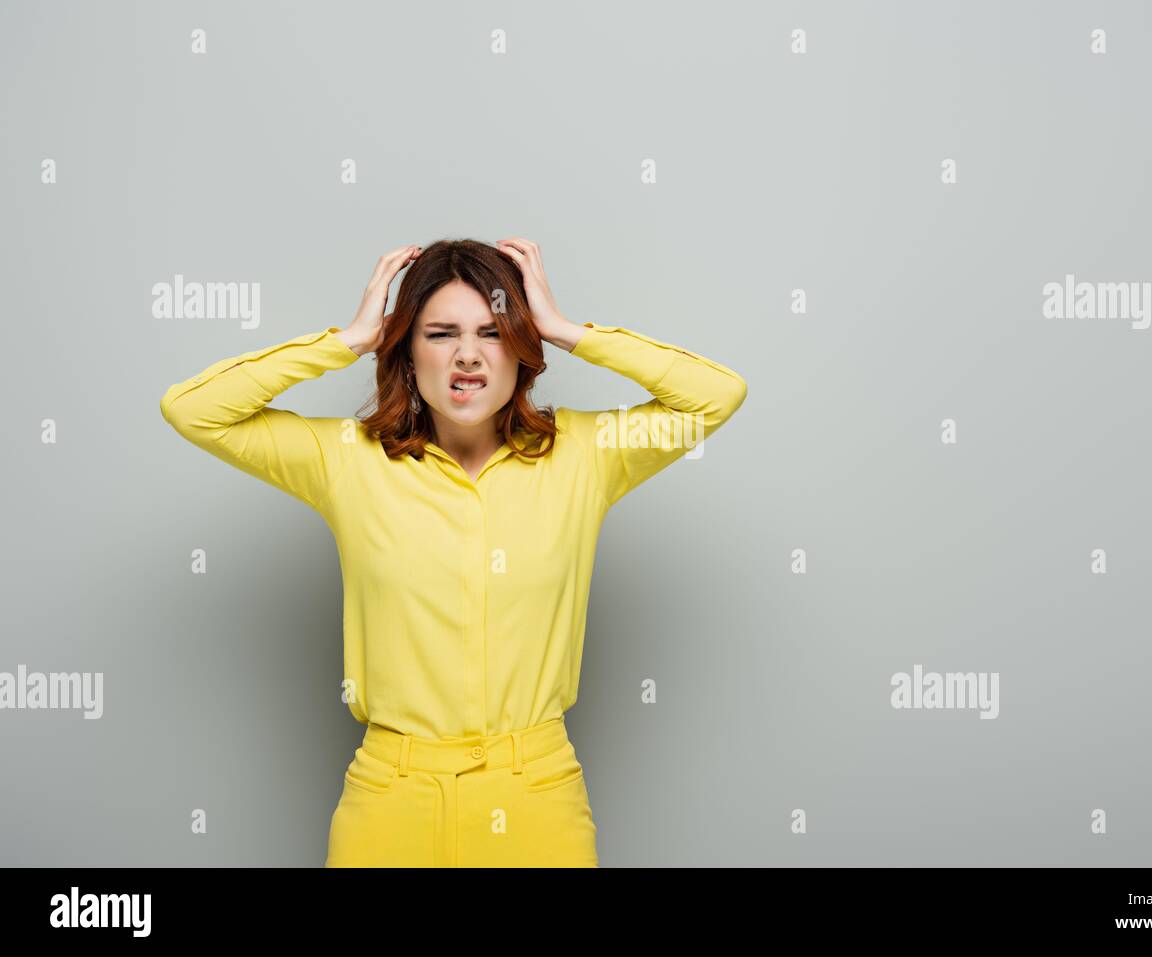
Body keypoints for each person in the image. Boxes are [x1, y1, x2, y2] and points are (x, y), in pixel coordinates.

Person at [159, 237, 748, 866]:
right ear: (408, 354)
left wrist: (567, 329)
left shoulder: (586, 454)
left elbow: (715, 394)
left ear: (522, 351)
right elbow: (194, 411)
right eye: (440, 334)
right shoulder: (348, 461)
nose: (468, 355)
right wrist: (350, 339)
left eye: (493, 333)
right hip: (390, 798)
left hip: (536, 798)